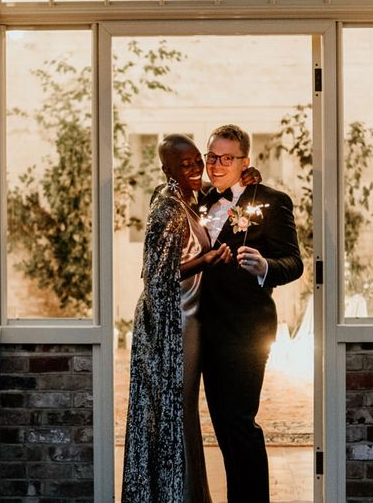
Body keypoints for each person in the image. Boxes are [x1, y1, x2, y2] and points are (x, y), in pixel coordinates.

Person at [122, 134, 231, 503]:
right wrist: (206, 260)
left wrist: (249, 179)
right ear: (166, 168)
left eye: (197, 161)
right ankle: (173, 497)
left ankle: (189, 495)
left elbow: (218, 202)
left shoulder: (188, 199)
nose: (197, 169)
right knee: (173, 413)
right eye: (185, 165)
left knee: (181, 413)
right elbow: (154, 275)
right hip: (173, 324)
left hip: (192, 319)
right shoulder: (167, 209)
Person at [200, 124, 304, 503]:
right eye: (212, 156)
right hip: (204, 328)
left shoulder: (272, 201)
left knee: (240, 423)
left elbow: (294, 262)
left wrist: (264, 268)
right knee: (223, 427)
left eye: (227, 157)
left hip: (246, 327)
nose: (217, 164)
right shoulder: (203, 201)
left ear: (244, 161)